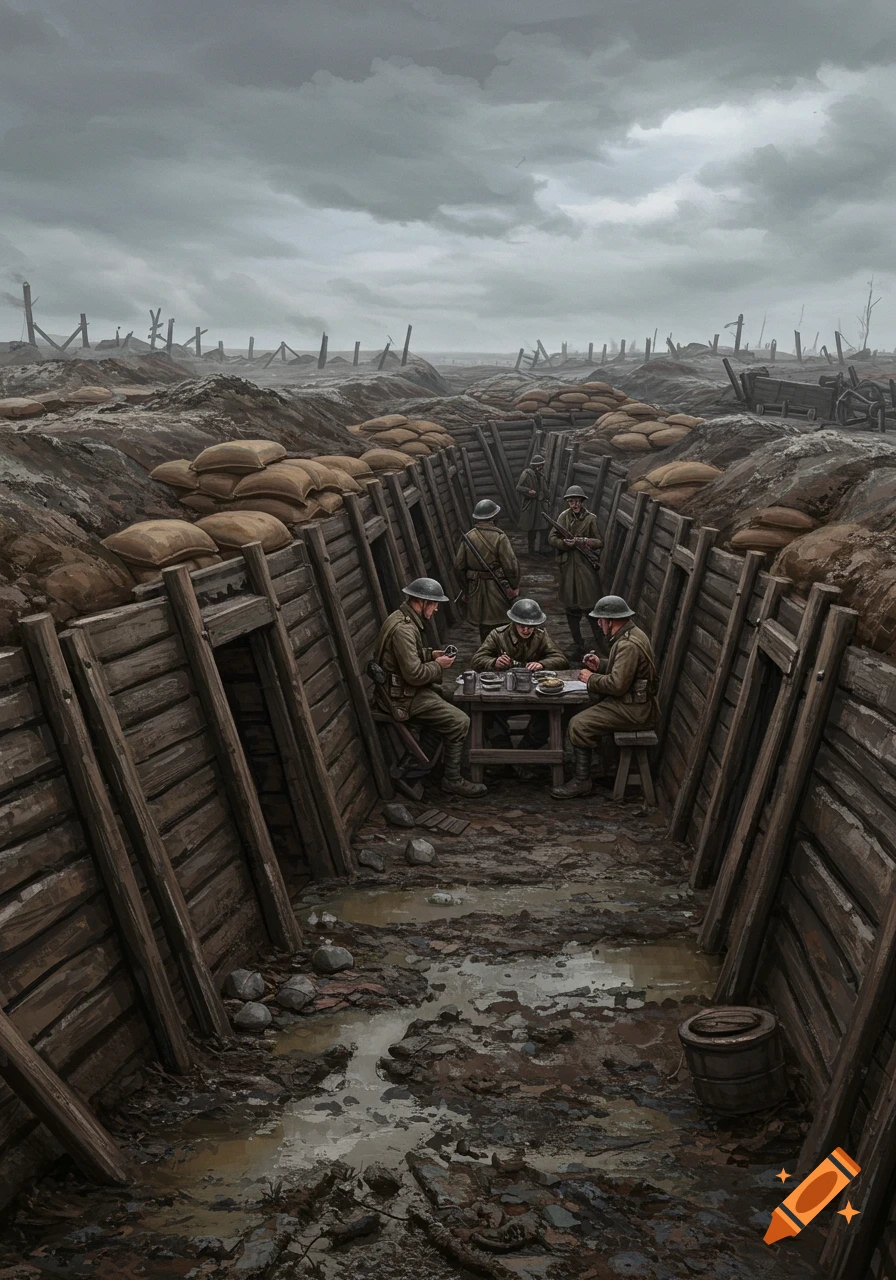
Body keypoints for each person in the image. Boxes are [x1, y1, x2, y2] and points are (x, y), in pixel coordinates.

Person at [372, 577, 487, 798]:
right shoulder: (404, 630)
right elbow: (414, 675)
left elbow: (405, 659)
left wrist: (430, 654)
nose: (435, 610)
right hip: (402, 698)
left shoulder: (401, 618)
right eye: (434, 604)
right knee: (460, 721)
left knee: (454, 700)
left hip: (401, 691)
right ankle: (451, 779)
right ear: (422, 602)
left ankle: (425, 763)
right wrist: (438, 665)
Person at [551, 595, 658, 799]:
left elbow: (617, 685)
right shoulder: (631, 635)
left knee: (578, 723)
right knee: (581, 710)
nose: (599, 624)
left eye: (600, 620)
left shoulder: (628, 645)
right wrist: (600, 664)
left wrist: (591, 679)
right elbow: (625, 670)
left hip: (635, 710)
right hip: (633, 704)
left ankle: (582, 781)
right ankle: (599, 769)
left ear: (610, 621)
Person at [471, 597, 569, 761]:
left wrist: (542, 664)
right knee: (489, 718)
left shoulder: (541, 636)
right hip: (503, 696)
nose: (526, 630)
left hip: (534, 697)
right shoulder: (497, 635)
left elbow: (561, 660)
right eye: (522, 625)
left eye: (530, 626)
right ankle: (506, 758)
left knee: (548, 718)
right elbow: (476, 660)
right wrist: (494, 662)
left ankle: (523, 756)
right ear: (513, 622)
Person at [547, 485, 603, 662]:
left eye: (577, 501)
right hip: (569, 566)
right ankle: (577, 643)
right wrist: (565, 544)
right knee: (571, 608)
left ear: (582, 501)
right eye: (571, 501)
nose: (574, 504)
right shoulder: (563, 517)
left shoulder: (591, 519)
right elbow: (552, 538)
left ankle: (600, 644)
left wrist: (583, 541)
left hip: (586, 566)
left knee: (591, 607)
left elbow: (599, 542)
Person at [454, 499, 520, 642]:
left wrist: (466, 590)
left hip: (476, 589)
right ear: (493, 517)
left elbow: (459, 567)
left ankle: (487, 653)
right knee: (502, 622)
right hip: (497, 587)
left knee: (483, 625)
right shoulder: (500, 537)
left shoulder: (469, 537)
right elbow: (510, 566)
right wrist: (514, 586)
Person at [516, 454, 548, 555]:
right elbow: (519, 487)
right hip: (530, 506)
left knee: (542, 527)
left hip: (540, 505)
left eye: (541, 465)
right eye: (538, 465)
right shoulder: (526, 473)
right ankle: (531, 550)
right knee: (531, 529)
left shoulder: (541, 475)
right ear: (534, 465)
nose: (540, 467)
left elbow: (544, 489)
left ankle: (541, 549)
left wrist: (546, 498)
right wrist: (528, 491)